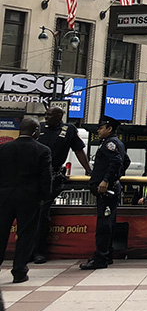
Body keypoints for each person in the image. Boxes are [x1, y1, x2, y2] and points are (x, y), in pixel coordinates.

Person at [34, 105, 92, 264]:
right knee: (30, 214)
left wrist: (88, 170)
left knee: (43, 213)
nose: (46, 118)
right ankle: (26, 250)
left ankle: (39, 251)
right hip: (33, 176)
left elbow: (79, 150)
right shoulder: (39, 127)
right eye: (45, 114)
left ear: (60, 116)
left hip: (52, 177)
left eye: (50, 115)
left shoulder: (69, 129)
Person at [0, 117, 52, 283]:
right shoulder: (43, 150)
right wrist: (45, 197)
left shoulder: (4, 148)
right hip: (29, 198)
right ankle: (19, 271)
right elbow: (46, 178)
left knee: (1, 233)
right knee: (26, 234)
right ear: (36, 131)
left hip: (4, 197)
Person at [81, 116, 129, 270]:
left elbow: (117, 161)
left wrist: (106, 180)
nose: (98, 130)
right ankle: (107, 255)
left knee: (104, 225)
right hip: (112, 188)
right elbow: (125, 161)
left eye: (101, 128)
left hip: (107, 191)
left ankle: (100, 258)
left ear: (109, 129)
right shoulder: (117, 143)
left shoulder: (110, 143)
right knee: (108, 223)